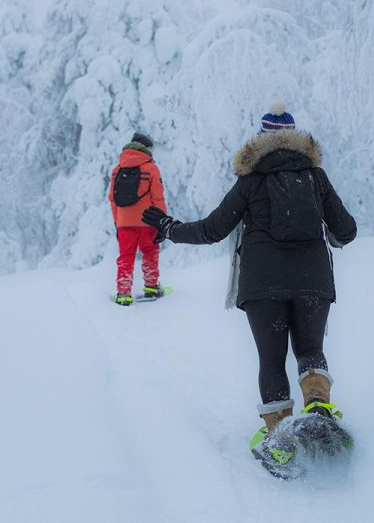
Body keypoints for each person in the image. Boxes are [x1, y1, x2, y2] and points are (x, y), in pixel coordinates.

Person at [141, 102, 356, 474]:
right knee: (310, 350)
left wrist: (168, 227)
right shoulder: (315, 177)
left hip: (262, 286)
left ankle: (281, 440)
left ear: (261, 140)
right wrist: (329, 234)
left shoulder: (250, 180)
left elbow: (212, 230)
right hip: (313, 281)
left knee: (271, 360)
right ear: (295, 141)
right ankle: (319, 407)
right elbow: (347, 231)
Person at [108, 132, 168, 306]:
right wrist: (162, 223)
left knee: (126, 256)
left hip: (124, 222)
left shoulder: (117, 169)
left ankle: (124, 293)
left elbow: (112, 199)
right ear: (145, 147)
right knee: (150, 252)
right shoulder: (151, 168)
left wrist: (117, 222)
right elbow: (158, 198)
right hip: (147, 221)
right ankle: (151, 286)